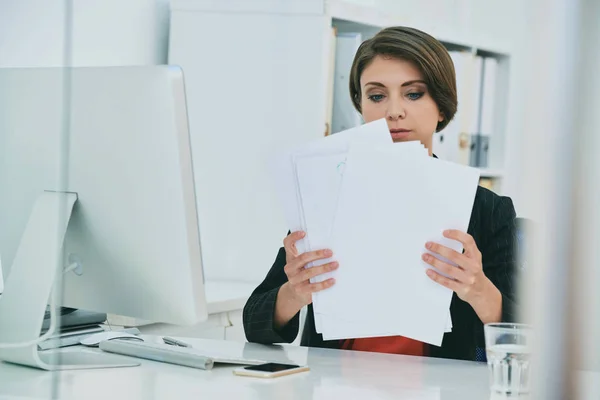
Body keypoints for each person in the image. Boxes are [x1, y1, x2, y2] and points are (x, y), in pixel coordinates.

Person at [242, 26, 519, 361]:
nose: (394, 111)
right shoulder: (325, 195)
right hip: (333, 384)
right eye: (376, 96)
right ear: (361, 106)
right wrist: (294, 292)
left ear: (442, 107)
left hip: (442, 387)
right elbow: (253, 324)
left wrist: (478, 289)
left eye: (413, 94)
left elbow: (520, 334)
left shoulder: (488, 210)